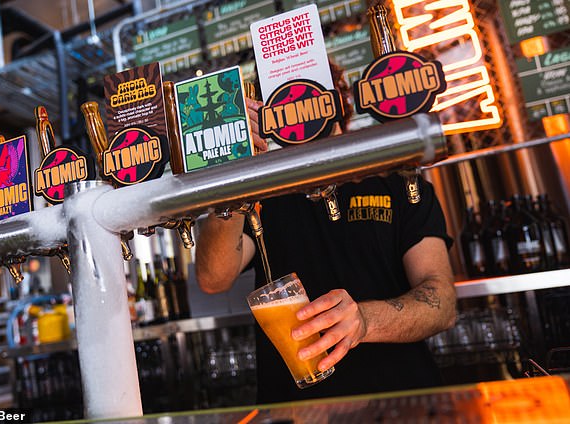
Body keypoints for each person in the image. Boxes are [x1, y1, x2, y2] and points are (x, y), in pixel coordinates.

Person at [195, 68, 456, 403]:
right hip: (298, 408)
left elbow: (443, 302)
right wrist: (234, 168)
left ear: (340, 104)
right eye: (285, 100)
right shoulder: (264, 194)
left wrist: (365, 320)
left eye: (312, 96)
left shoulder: (397, 181)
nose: (301, 109)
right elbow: (213, 278)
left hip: (403, 402)